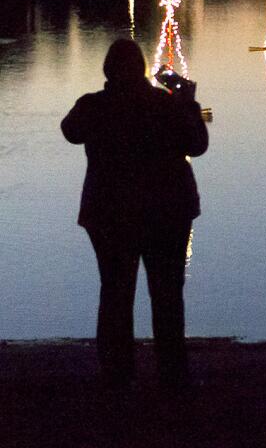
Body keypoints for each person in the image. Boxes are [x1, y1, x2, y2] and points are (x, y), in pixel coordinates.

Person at [60, 39, 208, 390]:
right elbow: (198, 145)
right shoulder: (166, 106)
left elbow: (70, 131)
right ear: (143, 69)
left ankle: (117, 373)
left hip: (109, 213)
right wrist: (187, 101)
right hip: (167, 212)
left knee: (115, 292)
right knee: (168, 294)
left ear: (108, 71)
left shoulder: (94, 106)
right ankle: (172, 374)